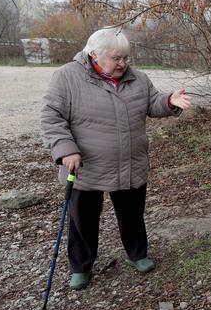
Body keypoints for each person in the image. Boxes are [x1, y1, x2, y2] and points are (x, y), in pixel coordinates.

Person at [41, 27, 192, 290]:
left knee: (133, 214)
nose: (123, 63)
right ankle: (81, 266)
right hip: (85, 167)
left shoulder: (138, 79)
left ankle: (138, 254)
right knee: (82, 220)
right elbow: (52, 117)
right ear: (94, 55)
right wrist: (66, 149)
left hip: (128, 164)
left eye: (126, 58)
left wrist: (169, 101)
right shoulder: (67, 77)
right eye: (116, 58)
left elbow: (152, 102)